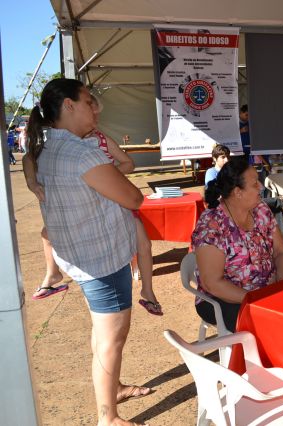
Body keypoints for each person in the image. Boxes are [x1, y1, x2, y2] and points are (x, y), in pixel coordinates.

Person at [27, 78, 149, 426]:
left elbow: (32, 162)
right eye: (88, 101)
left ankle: (114, 388)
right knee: (111, 339)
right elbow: (133, 198)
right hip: (102, 261)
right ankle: (108, 417)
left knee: (103, 332)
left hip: (82, 256)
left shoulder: (49, 148)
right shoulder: (81, 153)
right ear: (68, 105)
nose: (95, 109)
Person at [192, 157, 283, 331]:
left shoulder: (261, 210)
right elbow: (212, 283)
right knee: (272, 326)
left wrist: (280, 287)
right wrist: (256, 298)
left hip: (265, 293)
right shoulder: (212, 224)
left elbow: (281, 252)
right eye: (255, 184)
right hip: (223, 299)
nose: (261, 187)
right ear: (238, 192)